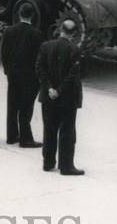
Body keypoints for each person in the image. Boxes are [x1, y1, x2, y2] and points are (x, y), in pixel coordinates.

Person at [36, 19, 85, 175]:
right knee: (67, 132)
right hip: (67, 98)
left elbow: (40, 69)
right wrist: (59, 90)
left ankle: (48, 162)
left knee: (49, 130)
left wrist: (49, 88)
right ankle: (66, 166)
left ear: (60, 29)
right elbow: (73, 75)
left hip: (48, 96)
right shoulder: (74, 50)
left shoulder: (45, 46)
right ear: (74, 34)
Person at [0, 7, 45, 148]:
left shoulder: (9, 31)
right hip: (29, 76)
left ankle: (11, 136)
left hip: (13, 75)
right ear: (32, 16)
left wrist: (7, 70)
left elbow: (3, 52)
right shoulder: (37, 34)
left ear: (19, 15)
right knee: (26, 107)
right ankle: (25, 139)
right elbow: (40, 58)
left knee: (12, 105)